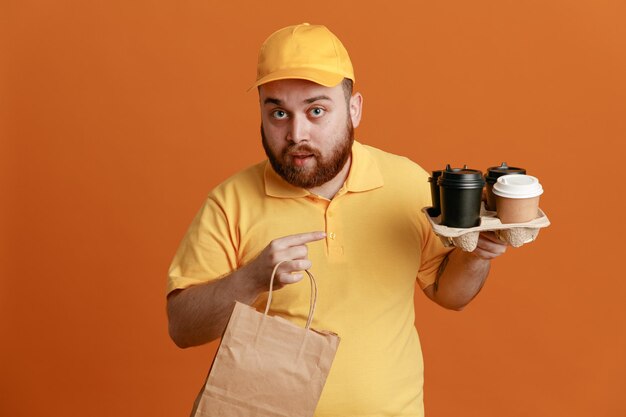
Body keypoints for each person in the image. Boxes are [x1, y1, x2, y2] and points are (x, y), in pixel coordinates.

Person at [167, 23, 508, 416]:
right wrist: (252, 278)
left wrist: (476, 254)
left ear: (354, 109)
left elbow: (450, 295)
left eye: (316, 110)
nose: (296, 133)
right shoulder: (230, 203)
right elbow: (182, 328)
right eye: (278, 112)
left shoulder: (407, 184)